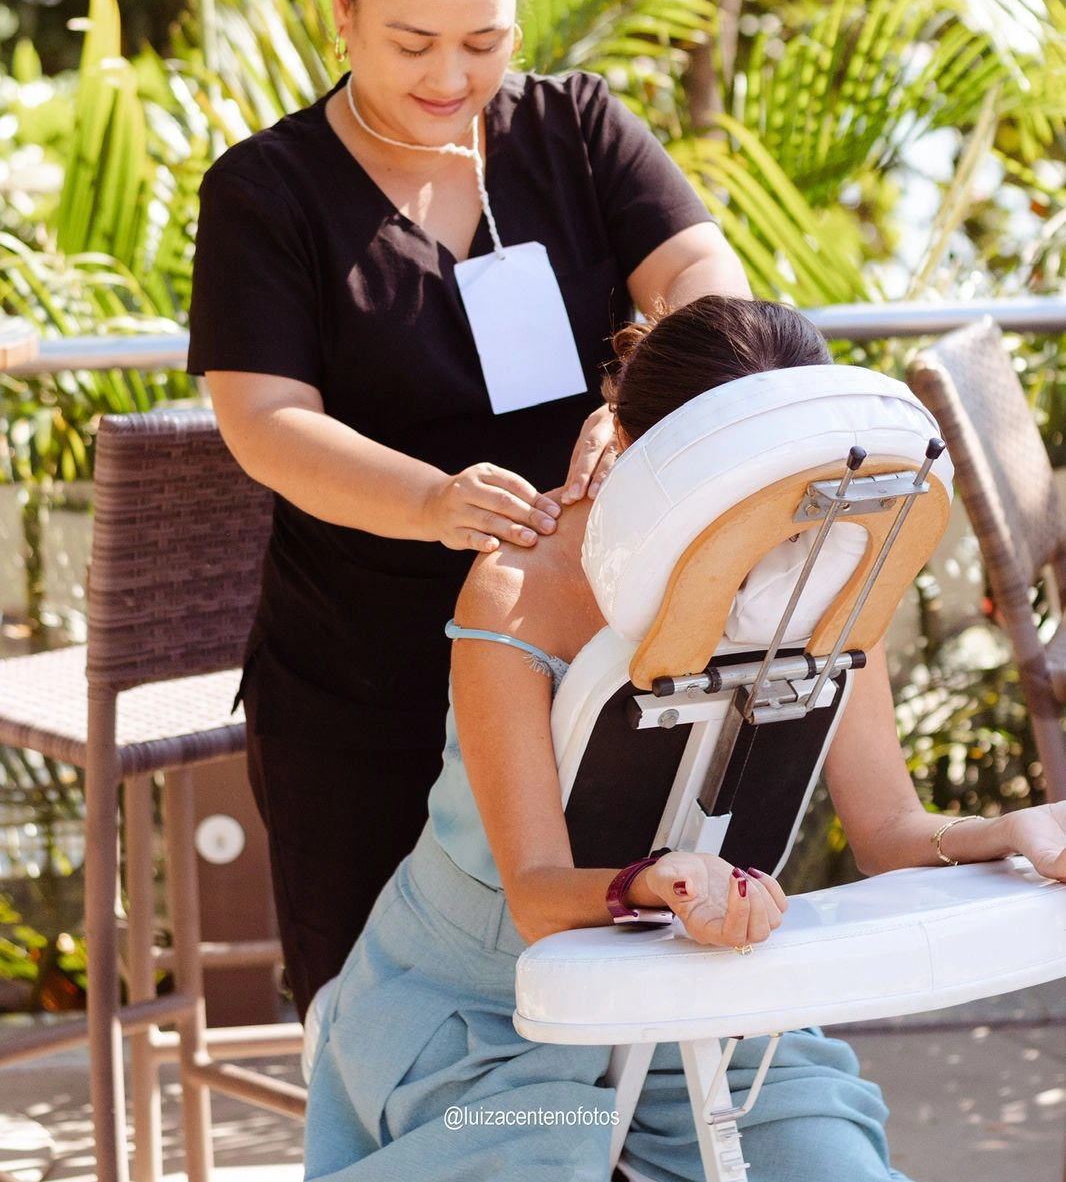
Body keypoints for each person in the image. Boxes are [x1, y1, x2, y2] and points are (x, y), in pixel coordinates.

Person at [304, 295, 1066, 1182]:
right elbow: (538, 896)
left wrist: (1001, 836)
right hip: (487, 1012)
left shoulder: (830, 569)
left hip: (706, 996)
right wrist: (656, 885)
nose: (774, 526)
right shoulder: (519, 587)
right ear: (639, 454)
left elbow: (890, 830)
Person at [186, 0, 750, 1018]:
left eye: (484, 41)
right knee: (384, 1032)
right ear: (338, 3)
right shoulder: (265, 192)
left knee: (593, 1026)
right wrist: (433, 503)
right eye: (414, 42)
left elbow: (713, 289)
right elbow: (266, 421)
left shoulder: (575, 130)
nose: (452, 77)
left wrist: (634, 402)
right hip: (362, 690)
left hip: (583, 673)